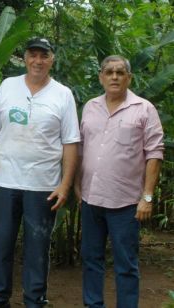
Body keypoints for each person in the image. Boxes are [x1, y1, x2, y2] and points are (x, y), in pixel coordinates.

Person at [0, 37, 80, 308]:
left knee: (37, 249)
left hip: (43, 185)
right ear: (25, 58)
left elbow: (71, 142)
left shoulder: (63, 94)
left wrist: (65, 185)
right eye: (33, 55)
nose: (38, 61)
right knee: (0, 244)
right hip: (4, 181)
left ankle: (35, 300)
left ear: (52, 60)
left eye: (43, 56)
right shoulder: (8, 86)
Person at [74, 55, 164, 308]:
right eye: (109, 72)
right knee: (91, 260)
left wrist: (147, 197)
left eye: (120, 72)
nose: (114, 77)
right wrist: (77, 186)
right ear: (101, 77)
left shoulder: (144, 109)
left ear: (129, 78)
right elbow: (81, 148)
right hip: (91, 200)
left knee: (126, 265)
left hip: (126, 204)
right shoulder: (90, 106)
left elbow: (154, 154)